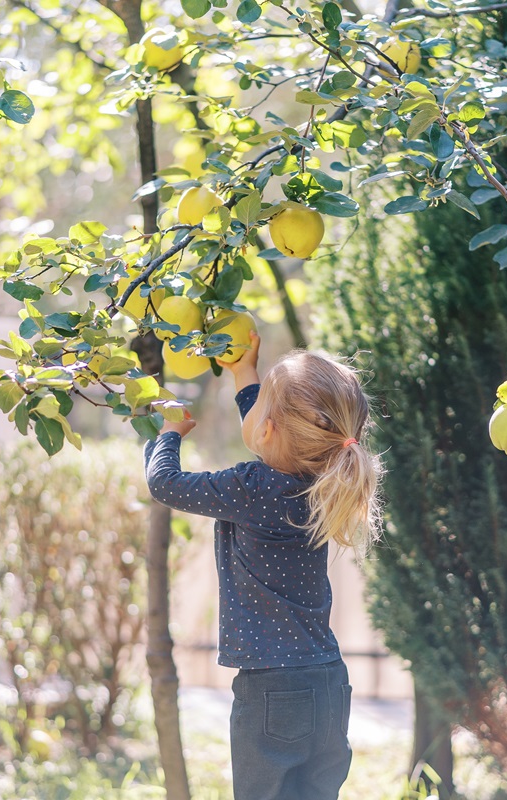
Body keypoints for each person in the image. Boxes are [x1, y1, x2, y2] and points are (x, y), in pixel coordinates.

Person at [143, 330, 385, 800]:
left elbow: (165, 484)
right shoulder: (324, 476)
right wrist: (245, 373)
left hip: (273, 689)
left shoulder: (252, 487)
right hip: (328, 681)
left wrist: (168, 434)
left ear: (267, 429)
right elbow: (275, 432)